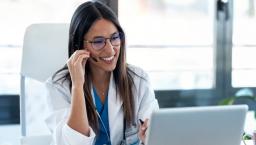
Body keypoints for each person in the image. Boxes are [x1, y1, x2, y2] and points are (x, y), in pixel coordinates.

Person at [45, 1, 159, 145]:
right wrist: (77, 86)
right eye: (98, 42)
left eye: (114, 38)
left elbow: (156, 135)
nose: (111, 50)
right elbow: (72, 143)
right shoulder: (58, 86)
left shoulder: (138, 80)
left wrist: (148, 137)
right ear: (78, 45)